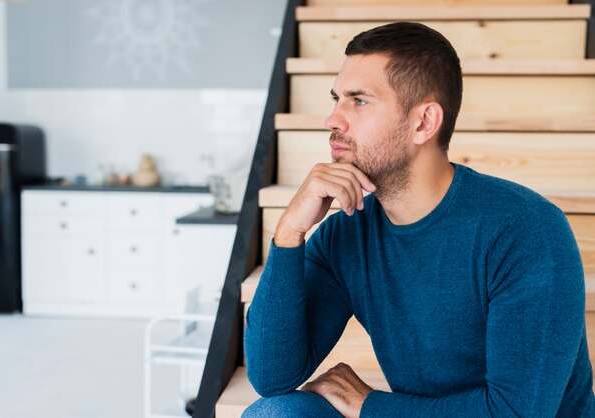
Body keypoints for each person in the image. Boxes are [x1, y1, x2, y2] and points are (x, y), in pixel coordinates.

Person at [242, 22, 594, 417]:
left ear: (424, 122)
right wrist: (289, 232)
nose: (332, 120)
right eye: (336, 98)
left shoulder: (526, 231)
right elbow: (272, 377)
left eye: (358, 101)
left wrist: (370, 406)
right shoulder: (349, 232)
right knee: (274, 413)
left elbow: (516, 413)